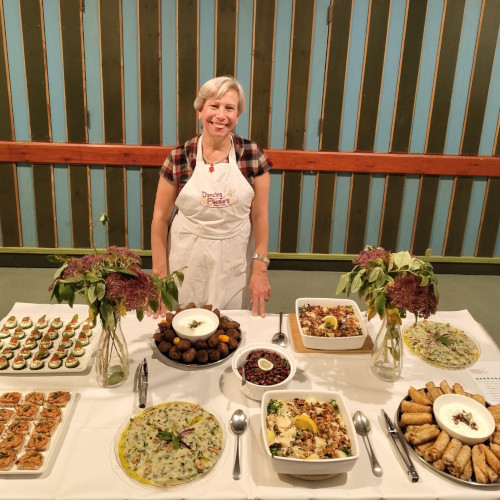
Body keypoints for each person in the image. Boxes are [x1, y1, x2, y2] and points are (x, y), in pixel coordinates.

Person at [150, 76, 272, 317]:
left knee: (231, 321)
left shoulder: (252, 155)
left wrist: (260, 270)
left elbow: (260, 217)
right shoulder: (179, 157)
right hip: (188, 252)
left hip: (235, 252)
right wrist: (159, 275)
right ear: (200, 111)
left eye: (229, 108)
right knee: (186, 320)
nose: (221, 115)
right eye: (213, 106)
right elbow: (160, 218)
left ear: (238, 115)